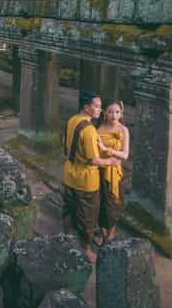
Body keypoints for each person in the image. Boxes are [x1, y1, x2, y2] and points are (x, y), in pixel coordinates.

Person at [62, 91, 120, 263]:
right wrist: (110, 162)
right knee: (88, 217)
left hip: (69, 174)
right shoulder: (89, 130)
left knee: (69, 210)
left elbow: (64, 146)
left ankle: (66, 240)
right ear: (86, 108)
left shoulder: (72, 120)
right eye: (96, 106)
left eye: (101, 106)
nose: (100, 110)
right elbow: (93, 160)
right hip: (85, 180)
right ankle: (86, 249)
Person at [94, 99, 130, 245]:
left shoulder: (123, 130)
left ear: (121, 113)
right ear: (104, 113)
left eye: (117, 112)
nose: (114, 115)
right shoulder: (99, 127)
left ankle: (111, 234)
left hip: (114, 171)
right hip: (99, 169)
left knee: (112, 203)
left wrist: (106, 149)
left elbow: (125, 155)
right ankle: (103, 233)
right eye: (110, 112)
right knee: (99, 202)